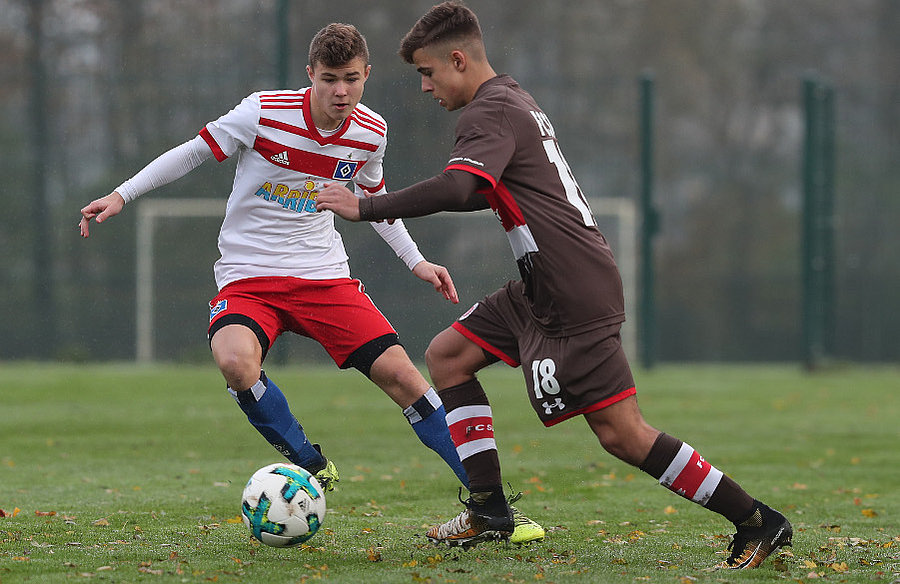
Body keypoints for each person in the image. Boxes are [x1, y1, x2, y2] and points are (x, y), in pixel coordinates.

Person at [315, 2, 792, 569]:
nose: (424, 87)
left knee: (622, 435)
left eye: (427, 71)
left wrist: (366, 206)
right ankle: (489, 510)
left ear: (459, 60)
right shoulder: (509, 97)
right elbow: (483, 189)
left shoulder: (489, 112)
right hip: (542, 283)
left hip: (574, 289)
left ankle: (757, 520)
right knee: (448, 357)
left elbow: (461, 189)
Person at [78, 22, 544, 545]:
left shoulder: (371, 131)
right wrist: (122, 194)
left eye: (350, 79)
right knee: (235, 363)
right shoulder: (263, 112)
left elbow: (378, 202)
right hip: (249, 276)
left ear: (366, 75)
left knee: (406, 379)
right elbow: (191, 152)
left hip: (325, 278)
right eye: (328, 80)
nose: (340, 92)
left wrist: (417, 262)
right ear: (310, 77)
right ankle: (308, 460)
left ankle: (493, 508)